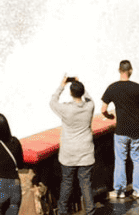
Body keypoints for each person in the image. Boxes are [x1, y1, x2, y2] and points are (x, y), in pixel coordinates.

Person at [101, 60, 139, 199]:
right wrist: (136, 107)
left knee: (120, 160)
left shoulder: (112, 88)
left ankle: (120, 191)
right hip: (137, 130)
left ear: (119, 70)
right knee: (138, 159)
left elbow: (103, 109)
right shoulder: (137, 88)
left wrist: (109, 116)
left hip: (121, 130)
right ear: (131, 71)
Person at [49, 76, 96, 215]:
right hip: (86, 152)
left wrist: (62, 85)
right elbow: (89, 98)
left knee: (67, 182)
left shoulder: (66, 109)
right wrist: (79, 84)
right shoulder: (90, 107)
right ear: (82, 92)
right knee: (86, 184)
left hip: (69, 153)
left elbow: (52, 102)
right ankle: (90, 212)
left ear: (70, 93)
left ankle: (62, 211)